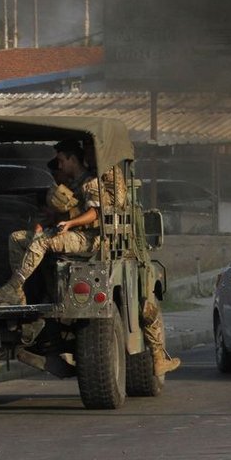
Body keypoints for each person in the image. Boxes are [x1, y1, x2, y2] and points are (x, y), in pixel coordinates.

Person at [82, 139, 180, 377]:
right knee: (148, 307)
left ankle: (158, 358)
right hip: (113, 248)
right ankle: (157, 357)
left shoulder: (91, 179)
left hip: (110, 245)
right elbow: (118, 209)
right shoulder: (107, 178)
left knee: (146, 302)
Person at [0, 141, 98, 306]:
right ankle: (18, 295)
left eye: (62, 161)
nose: (59, 166)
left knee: (42, 240)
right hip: (69, 233)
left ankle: (12, 287)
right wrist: (44, 222)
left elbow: (95, 213)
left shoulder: (90, 182)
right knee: (16, 238)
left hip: (86, 238)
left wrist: (70, 223)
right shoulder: (70, 184)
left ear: (73, 159)